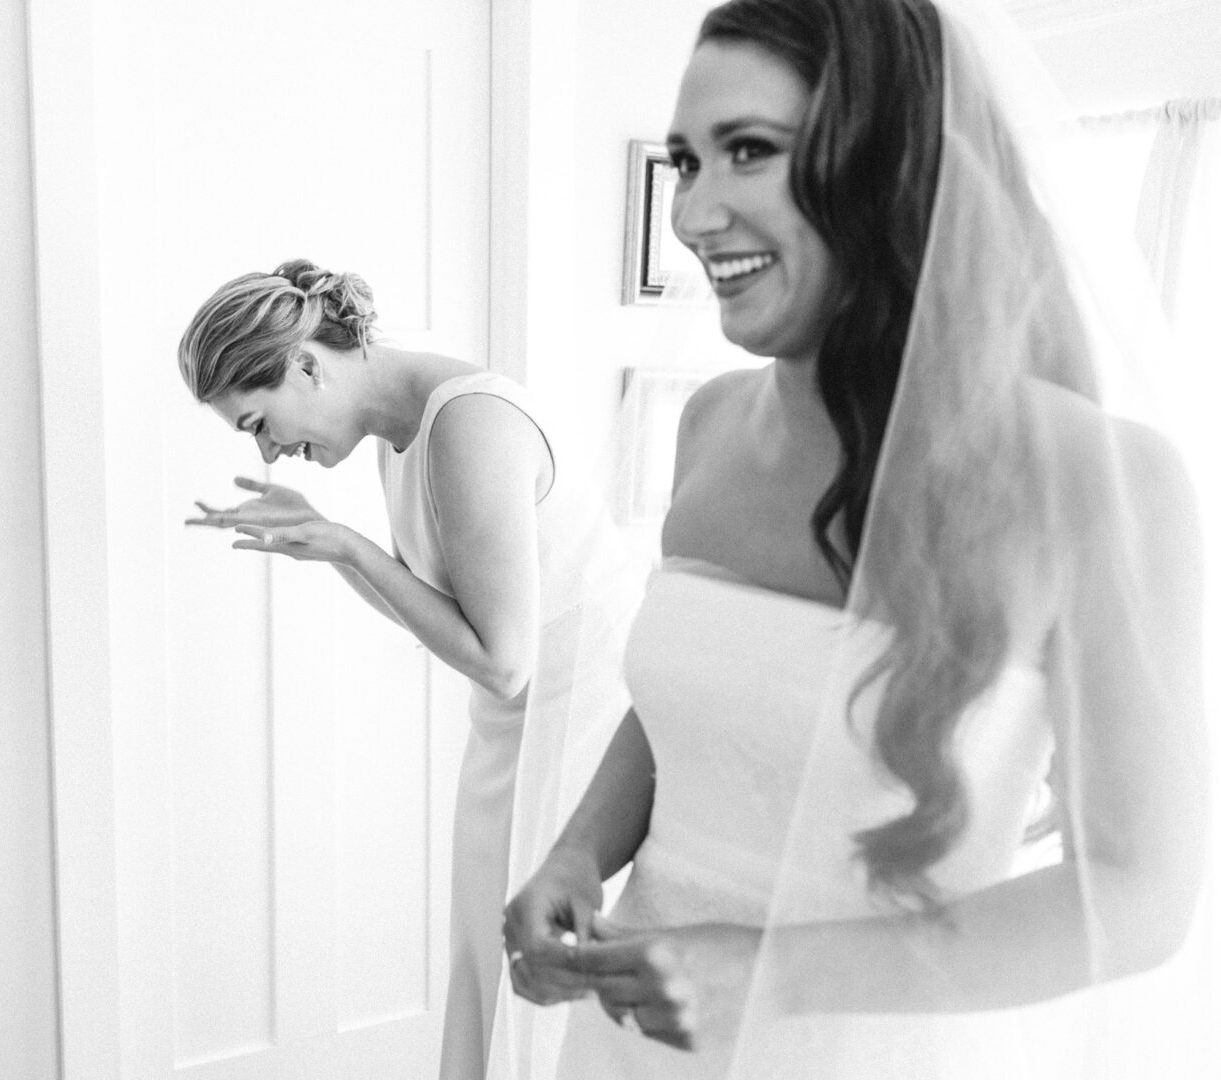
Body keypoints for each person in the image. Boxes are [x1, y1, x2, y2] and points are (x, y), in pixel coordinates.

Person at [503, 0, 1212, 1076]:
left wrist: (766, 971)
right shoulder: (708, 426)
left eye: (749, 151)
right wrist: (577, 850)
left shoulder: (1097, 480)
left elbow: (1139, 895)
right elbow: (690, 706)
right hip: (637, 1033)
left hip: (885, 1044)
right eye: (688, 162)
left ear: (890, 161)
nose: (693, 214)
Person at [178, 259, 642, 1080]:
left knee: (541, 985)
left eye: (257, 421)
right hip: (512, 732)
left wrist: (349, 544)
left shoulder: (469, 424)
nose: (271, 450)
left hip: (581, 735)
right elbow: (439, 619)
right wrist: (327, 547)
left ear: (307, 366)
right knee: (486, 961)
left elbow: (503, 663)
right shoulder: (403, 436)